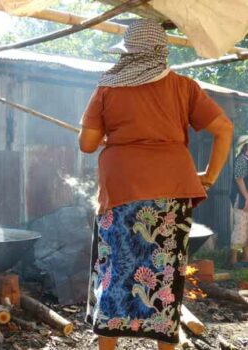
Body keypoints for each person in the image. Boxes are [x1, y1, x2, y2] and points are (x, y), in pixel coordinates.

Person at [78, 19, 233, 350]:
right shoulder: (183, 86)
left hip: (120, 193)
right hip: (171, 193)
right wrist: (209, 174)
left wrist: (109, 131)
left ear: (129, 52)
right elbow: (224, 129)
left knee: (116, 272)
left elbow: (87, 144)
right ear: (161, 52)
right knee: (164, 277)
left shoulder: (107, 87)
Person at [230, 135, 248, 268]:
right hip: (241, 199)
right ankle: (233, 260)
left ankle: (246, 258)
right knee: (240, 227)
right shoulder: (241, 160)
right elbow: (239, 179)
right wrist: (247, 197)